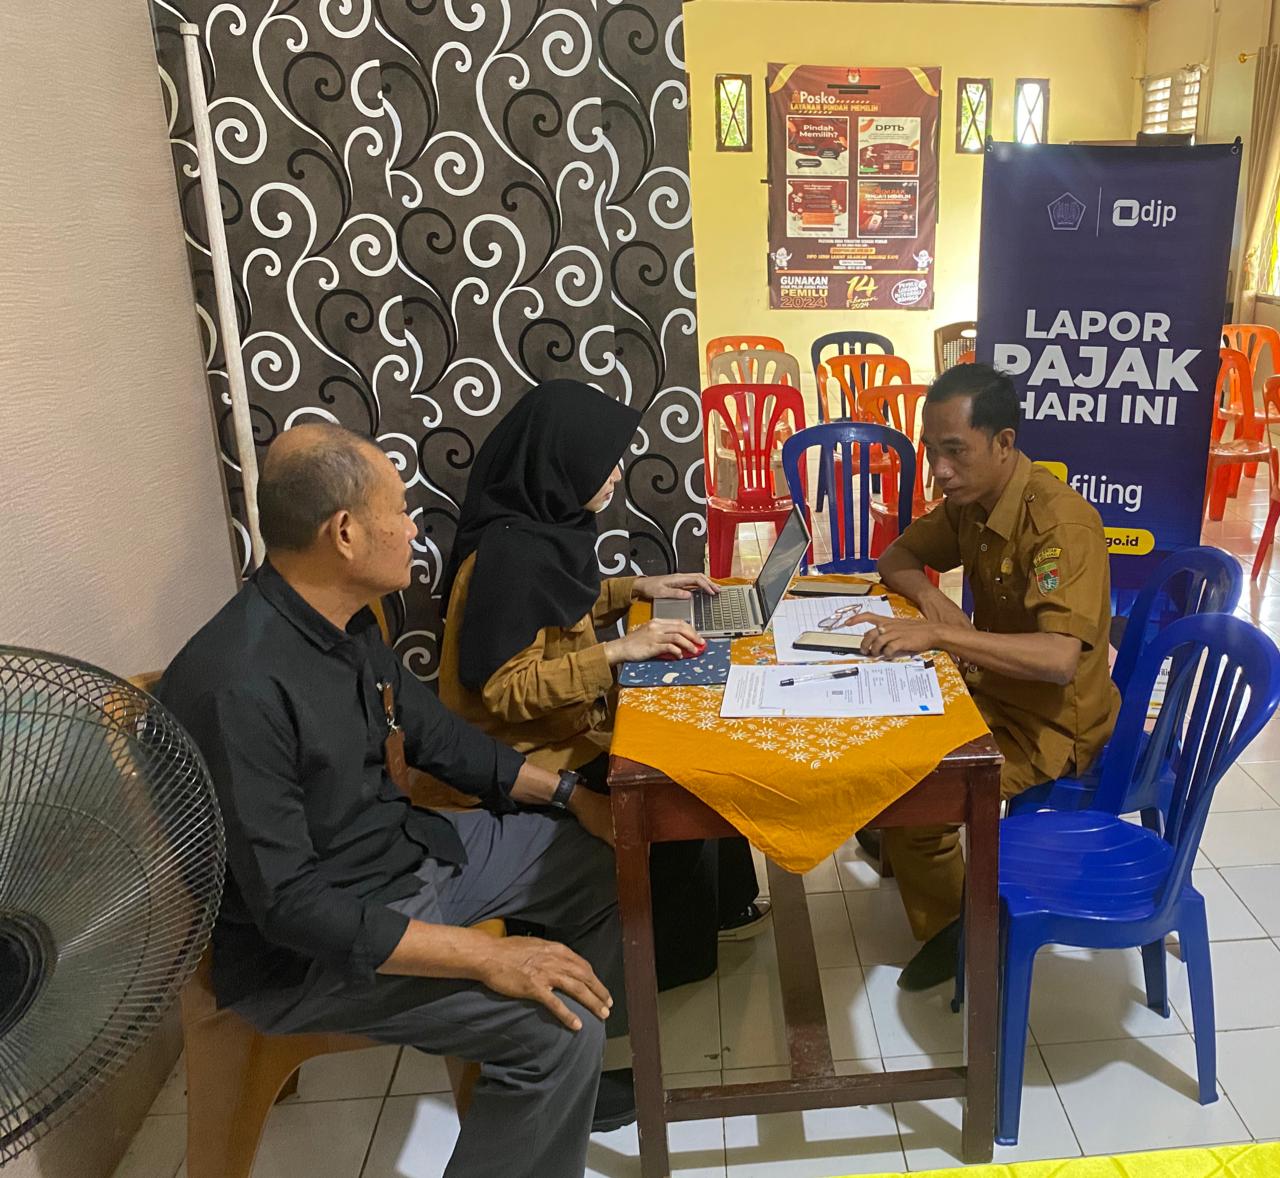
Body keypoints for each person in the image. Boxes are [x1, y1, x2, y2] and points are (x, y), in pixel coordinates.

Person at [158, 422, 630, 1178]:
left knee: (603, 858)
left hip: (408, 852)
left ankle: (566, 1089)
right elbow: (291, 906)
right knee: (556, 1026)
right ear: (345, 533)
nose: (415, 528)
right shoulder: (237, 687)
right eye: (401, 510)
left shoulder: (343, 625)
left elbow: (442, 738)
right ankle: (552, 1068)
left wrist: (573, 795)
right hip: (315, 952)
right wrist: (484, 955)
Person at [438, 378, 770, 991]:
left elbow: (557, 609)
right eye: (603, 462)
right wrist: (618, 650)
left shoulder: (537, 532)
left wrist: (638, 588)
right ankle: (668, 962)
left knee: (692, 750)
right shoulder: (509, 560)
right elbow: (504, 690)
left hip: (559, 731)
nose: (616, 473)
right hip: (521, 758)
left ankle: (724, 909)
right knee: (677, 780)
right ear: (561, 466)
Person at [838, 363, 1118, 991]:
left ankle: (959, 934)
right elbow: (897, 556)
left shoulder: (1058, 525)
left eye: (955, 451)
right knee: (881, 728)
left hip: (1052, 725)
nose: (939, 470)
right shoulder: (972, 501)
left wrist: (941, 635)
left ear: (1003, 443)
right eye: (931, 450)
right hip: (993, 691)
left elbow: (1058, 660)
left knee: (921, 789)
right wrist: (933, 602)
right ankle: (902, 844)